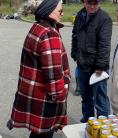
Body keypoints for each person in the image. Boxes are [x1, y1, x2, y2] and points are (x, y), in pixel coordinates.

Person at [7, 0, 70, 137]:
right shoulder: (49, 33)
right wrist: (61, 95)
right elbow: (53, 76)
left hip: (34, 95)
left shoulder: (37, 27)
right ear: (49, 11)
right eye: (60, 11)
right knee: (43, 135)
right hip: (45, 100)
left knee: (37, 135)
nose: (63, 14)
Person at [71, 0, 112, 122]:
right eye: (89, 3)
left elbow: (104, 45)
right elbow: (75, 35)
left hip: (97, 68)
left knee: (100, 99)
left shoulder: (104, 18)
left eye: (96, 3)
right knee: (86, 98)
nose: (93, 6)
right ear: (84, 2)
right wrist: (75, 53)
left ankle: (103, 124)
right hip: (83, 63)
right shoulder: (80, 15)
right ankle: (88, 122)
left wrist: (100, 66)